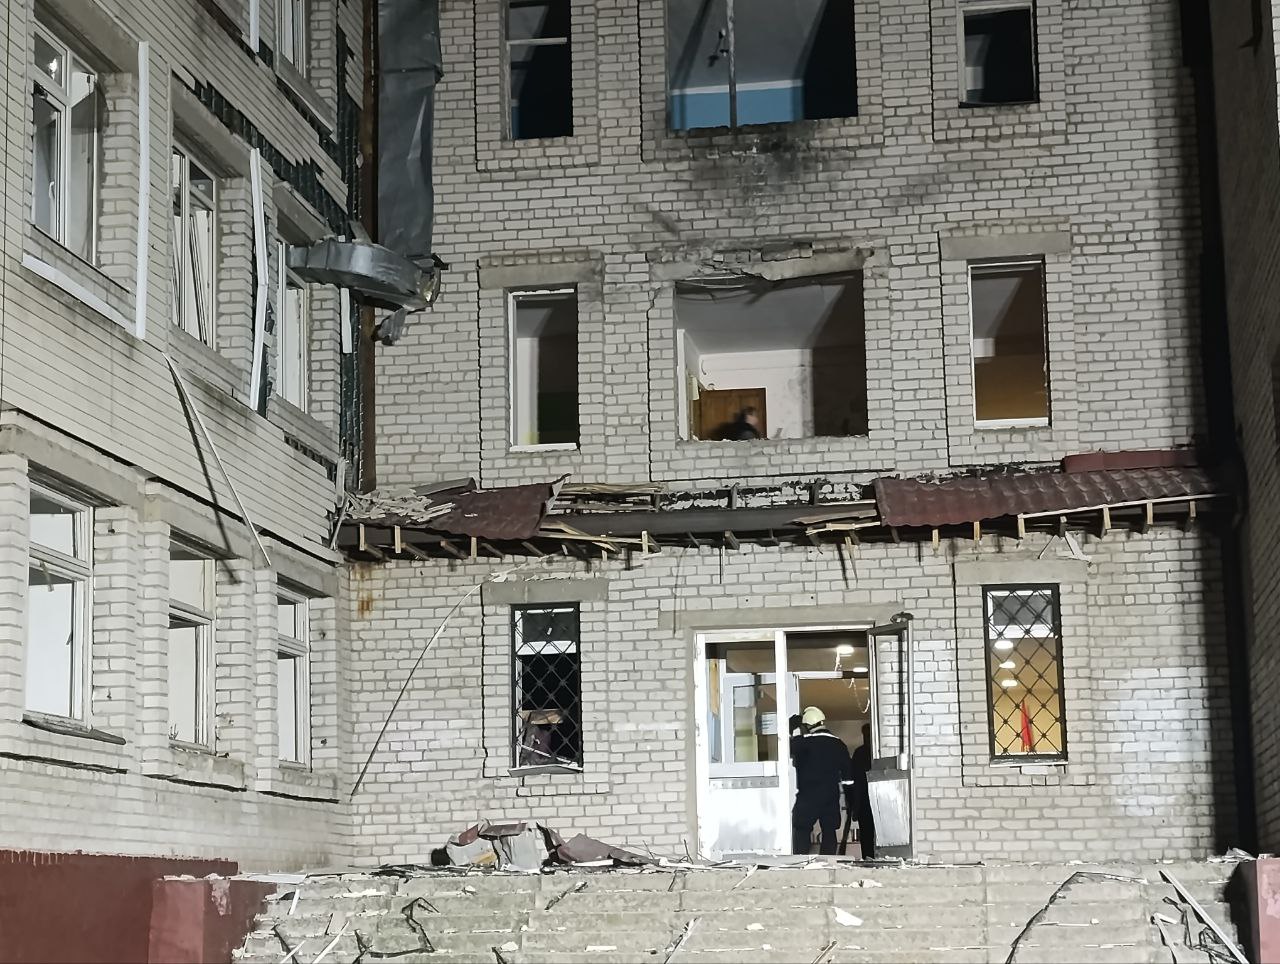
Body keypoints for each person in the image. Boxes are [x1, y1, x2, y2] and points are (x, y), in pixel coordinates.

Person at [790, 705, 852, 856]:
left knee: (802, 829)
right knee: (829, 830)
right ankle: (828, 861)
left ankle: (801, 860)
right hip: (830, 795)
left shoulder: (803, 743)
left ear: (807, 725)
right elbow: (848, 776)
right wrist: (850, 798)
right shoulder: (838, 744)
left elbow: (785, 748)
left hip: (808, 795)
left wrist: (790, 729)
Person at [848, 722, 876, 859]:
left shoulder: (860, 753)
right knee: (872, 834)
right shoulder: (877, 752)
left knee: (866, 835)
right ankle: (874, 858)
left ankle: (868, 858)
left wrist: (854, 807)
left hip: (865, 801)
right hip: (873, 800)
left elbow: (855, 782)